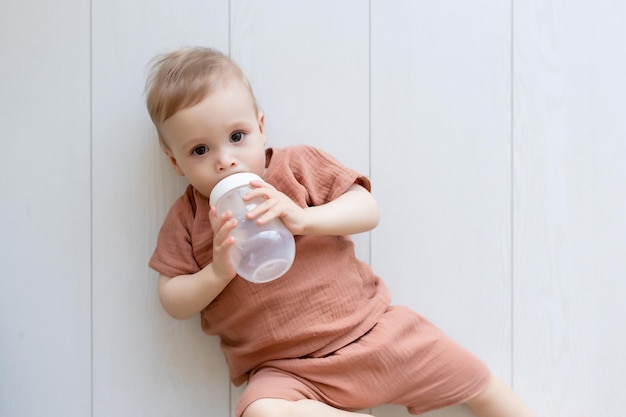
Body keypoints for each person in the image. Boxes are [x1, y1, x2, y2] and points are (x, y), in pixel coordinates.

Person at [145, 46, 534, 417]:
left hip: (373, 333)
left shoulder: (294, 167)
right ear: (174, 161)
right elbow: (172, 299)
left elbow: (367, 209)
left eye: (236, 137)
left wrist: (303, 218)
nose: (224, 160)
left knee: (481, 385)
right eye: (200, 150)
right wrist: (216, 272)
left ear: (261, 127)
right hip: (287, 372)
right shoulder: (187, 217)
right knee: (260, 409)